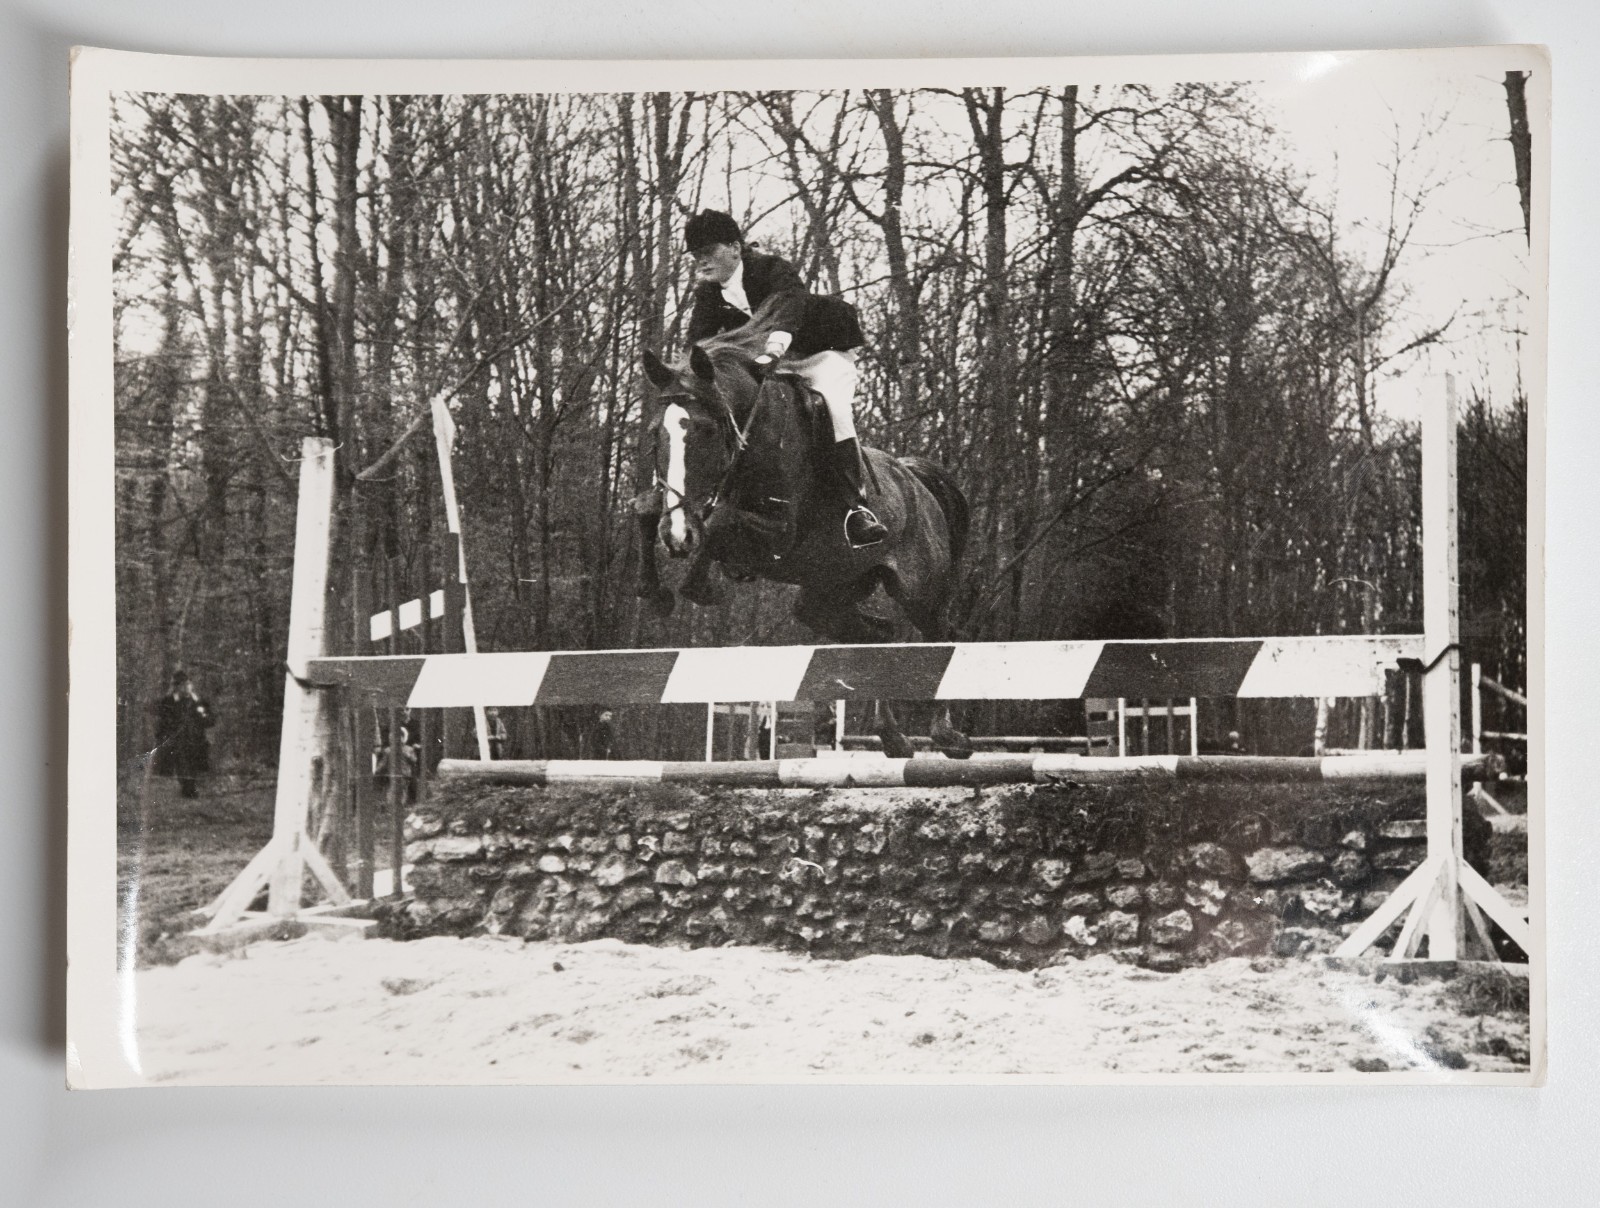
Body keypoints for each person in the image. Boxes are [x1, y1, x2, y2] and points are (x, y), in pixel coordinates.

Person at [682, 209, 888, 549]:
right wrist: (684, 378)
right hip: (769, 362)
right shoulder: (708, 294)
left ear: (734, 247)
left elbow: (789, 310)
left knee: (833, 407)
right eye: (695, 256)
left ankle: (856, 509)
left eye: (708, 252)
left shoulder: (772, 269)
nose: (701, 261)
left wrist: (773, 350)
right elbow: (698, 343)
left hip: (821, 352)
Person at [152, 668, 214, 798]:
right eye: (183, 684)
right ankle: (188, 788)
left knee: (194, 764)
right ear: (177, 687)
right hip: (177, 741)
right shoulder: (169, 702)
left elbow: (209, 721)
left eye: (188, 684)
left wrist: (201, 712)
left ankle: (190, 787)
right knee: (181, 763)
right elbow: (163, 722)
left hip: (196, 739)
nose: (186, 687)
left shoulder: (198, 701)